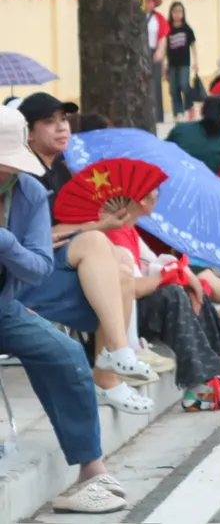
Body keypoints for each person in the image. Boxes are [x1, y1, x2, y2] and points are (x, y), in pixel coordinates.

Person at [0, 106, 128, 514]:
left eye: (9, 167)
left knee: (66, 353)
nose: (6, 174)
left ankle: (93, 473)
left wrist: (4, 242)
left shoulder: (31, 191)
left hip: (6, 304)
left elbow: (38, 267)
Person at [17, 92, 155, 415]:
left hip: (61, 261)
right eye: (49, 122)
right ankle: (118, 350)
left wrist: (114, 220)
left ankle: (106, 374)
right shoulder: (23, 174)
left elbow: (71, 223)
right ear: (29, 132)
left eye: (63, 120)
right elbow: (39, 237)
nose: (61, 127)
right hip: (29, 271)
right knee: (96, 243)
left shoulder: (62, 170)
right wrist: (95, 228)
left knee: (122, 262)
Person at [106, 187, 220, 412]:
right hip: (124, 318)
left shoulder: (129, 228)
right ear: (140, 199)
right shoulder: (114, 233)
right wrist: (171, 275)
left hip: (140, 308)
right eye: (154, 190)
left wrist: (183, 276)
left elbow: (157, 263)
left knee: (191, 286)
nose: (158, 195)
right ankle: (200, 389)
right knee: (173, 293)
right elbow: (134, 288)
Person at [165, 96, 220, 175]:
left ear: (201, 112)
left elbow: (165, 151)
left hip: (178, 177)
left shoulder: (180, 129)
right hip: (209, 182)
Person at [165, 1, 198, 120]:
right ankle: (177, 113)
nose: (178, 14)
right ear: (171, 13)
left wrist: (196, 62)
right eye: (175, 11)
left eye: (180, 11)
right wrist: (164, 65)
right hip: (172, 64)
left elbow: (193, 46)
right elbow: (164, 47)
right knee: (173, 89)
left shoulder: (187, 28)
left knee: (184, 84)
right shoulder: (168, 28)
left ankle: (190, 107)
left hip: (184, 63)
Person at [145, 0, 169, 123]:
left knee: (155, 84)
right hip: (142, 51)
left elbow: (163, 37)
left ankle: (158, 114)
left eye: (151, 1)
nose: (150, 4)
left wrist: (160, 51)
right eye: (147, 1)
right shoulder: (137, 17)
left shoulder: (159, 18)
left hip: (154, 51)